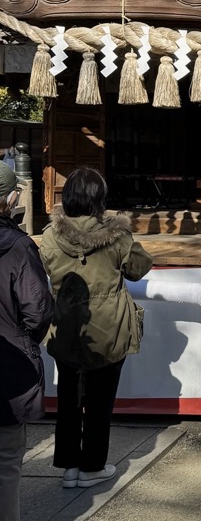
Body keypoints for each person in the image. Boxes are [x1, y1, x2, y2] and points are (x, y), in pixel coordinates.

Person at [39, 167, 153, 488]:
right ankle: (92, 467)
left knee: (68, 398)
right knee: (100, 402)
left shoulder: (50, 236)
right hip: (109, 329)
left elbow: (47, 267)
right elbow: (138, 268)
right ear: (99, 198)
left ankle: (69, 467)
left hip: (66, 328)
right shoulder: (117, 235)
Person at [0, 163, 53, 521]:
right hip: (5, 371)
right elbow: (37, 312)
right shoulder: (17, 247)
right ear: (9, 198)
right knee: (4, 465)